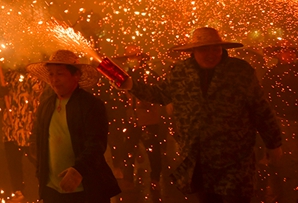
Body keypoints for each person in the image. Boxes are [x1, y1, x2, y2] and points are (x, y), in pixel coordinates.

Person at [119, 27, 282, 203]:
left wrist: (273, 143)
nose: (211, 54)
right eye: (205, 49)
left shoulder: (240, 71)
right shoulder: (180, 72)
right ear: (193, 51)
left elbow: (260, 109)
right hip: (197, 160)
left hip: (235, 159)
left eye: (215, 49)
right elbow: (160, 95)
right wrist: (130, 85)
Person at [28, 50, 121, 203]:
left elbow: (96, 145)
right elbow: (36, 138)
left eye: (60, 74)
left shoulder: (91, 105)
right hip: (52, 191)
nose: (54, 79)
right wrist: (40, 168)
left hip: (87, 191)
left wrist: (79, 170)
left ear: (76, 76)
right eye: (51, 74)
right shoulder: (46, 105)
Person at [112, 45, 163, 199]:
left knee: (152, 149)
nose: (132, 60)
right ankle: (128, 179)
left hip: (148, 119)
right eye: (129, 58)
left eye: (134, 57)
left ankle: (155, 178)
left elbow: (157, 95)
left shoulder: (150, 75)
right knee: (129, 149)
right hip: (132, 119)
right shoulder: (127, 74)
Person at [0, 64, 46, 202]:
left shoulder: (34, 75)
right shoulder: (8, 74)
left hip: (28, 128)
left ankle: (47, 190)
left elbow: (39, 92)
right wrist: (1, 92)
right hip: (10, 128)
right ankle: (18, 192)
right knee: (13, 163)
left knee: (37, 162)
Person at [262, 42, 298, 203]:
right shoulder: (272, 73)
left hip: (292, 118)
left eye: (292, 52)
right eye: (285, 51)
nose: (289, 54)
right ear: (277, 54)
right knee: (286, 158)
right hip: (283, 119)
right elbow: (266, 97)